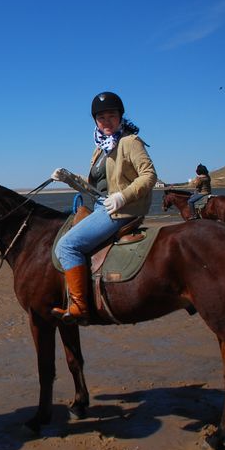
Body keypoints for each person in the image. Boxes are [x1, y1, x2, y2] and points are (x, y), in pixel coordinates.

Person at [49, 91, 157, 324]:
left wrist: (122, 197)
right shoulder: (101, 148)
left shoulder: (130, 142)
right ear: (95, 121)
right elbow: (94, 188)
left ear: (120, 117)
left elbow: (149, 176)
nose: (106, 122)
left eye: (111, 116)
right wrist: (68, 178)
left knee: (67, 245)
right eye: (101, 118)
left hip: (120, 210)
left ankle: (79, 307)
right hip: (101, 205)